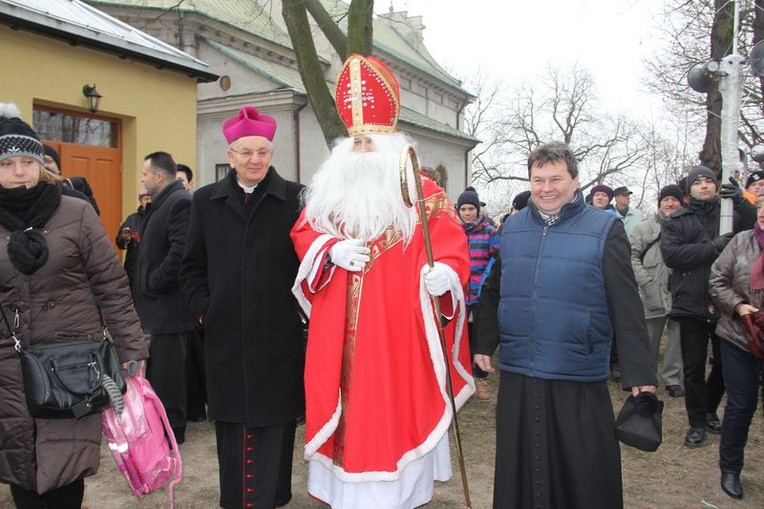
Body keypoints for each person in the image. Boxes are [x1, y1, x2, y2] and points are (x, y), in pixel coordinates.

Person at [290, 54, 473, 508]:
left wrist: (444, 276)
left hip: (399, 343)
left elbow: (452, 249)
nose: (361, 149)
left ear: (394, 144)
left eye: (370, 140)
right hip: (341, 342)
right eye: (355, 140)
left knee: (395, 423)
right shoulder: (330, 197)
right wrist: (327, 249)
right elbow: (303, 230)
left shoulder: (423, 196)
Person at [474, 141, 655, 508]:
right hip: (520, 368)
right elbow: (493, 290)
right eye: (538, 179)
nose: (546, 188)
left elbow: (626, 303)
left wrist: (639, 372)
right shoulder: (512, 228)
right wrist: (482, 343)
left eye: (556, 178)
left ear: (575, 181)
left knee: (582, 472)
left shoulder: (604, 228)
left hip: (576, 369)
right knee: (522, 471)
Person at [0, 104, 147, 508]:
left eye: (27, 160)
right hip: (9, 369)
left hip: (71, 363)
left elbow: (112, 286)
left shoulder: (76, 211)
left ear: (40, 165)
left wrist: (132, 349)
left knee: (65, 472)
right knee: (21, 469)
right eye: (8, 162)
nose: (19, 171)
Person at [180, 105, 305, 509]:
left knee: (276, 421)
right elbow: (191, 267)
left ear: (272, 153)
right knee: (232, 423)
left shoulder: (296, 199)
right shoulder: (204, 201)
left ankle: (273, 497)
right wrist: (205, 309)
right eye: (246, 152)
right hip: (226, 338)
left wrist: (301, 313)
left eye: (263, 151)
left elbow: (312, 264)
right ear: (230, 155)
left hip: (278, 337)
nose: (255, 160)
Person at [661, 166, 756, 447]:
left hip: (726, 303)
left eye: (708, 181)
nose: (704, 186)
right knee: (692, 367)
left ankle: (711, 407)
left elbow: (754, 228)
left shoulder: (729, 213)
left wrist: (740, 199)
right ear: (689, 190)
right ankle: (697, 422)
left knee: (727, 365)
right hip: (690, 301)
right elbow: (673, 255)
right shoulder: (677, 219)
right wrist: (715, 247)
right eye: (697, 183)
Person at [133, 151, 194, 445]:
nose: (142, 180)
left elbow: (181, 252)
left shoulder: (179, 202)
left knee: (169, 376)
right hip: (156, 308)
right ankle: (160, 428)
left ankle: (172, 431)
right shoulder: (160, 204)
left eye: (145, 174)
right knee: (159, 373)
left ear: (158, 176)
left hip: (169, 308)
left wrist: (154, 281)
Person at [708, 189, 764, 500]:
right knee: (741, 406)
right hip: (738, 335)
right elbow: (717, 279)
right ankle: (730, 468)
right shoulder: (741, 241)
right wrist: (740, 306)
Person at [630, 184, 685, 397]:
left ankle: (672, 379)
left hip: (679, 291)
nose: (670, 204)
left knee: (677, 338)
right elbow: (631, 256)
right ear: (660, 203)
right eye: (666, 200)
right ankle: (647, 377)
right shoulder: (644, 228)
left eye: (675, 200)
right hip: (651, 291)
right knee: (649, 338)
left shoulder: (689, 226)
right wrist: (646, 282)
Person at [456, 186, 498, 401]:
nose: (467, 213)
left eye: (471, 208)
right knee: (462, 337)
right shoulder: (454, 232)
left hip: (481, 292)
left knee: (482, 336)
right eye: (463, 209)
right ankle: (462, 379)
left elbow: (497, 258)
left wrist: (486, 281)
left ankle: (480, 378)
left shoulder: (490, 232)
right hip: (460, 294)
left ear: (477, 209)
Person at [42, 144, 100, 215]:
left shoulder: (76, 192)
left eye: (48, 161)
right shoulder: (27, 195)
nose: (44, 166)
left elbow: (92, 218)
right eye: (40, 163)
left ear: (59, 169)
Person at [116, 188, 151, 288]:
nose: (149, 202)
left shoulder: (160, 217)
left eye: (152, 199)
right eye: (146, 199)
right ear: (141, 201)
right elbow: (120, 243)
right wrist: (125, 238)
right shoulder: (132, 219)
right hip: (133, 272)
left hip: (152, 270)